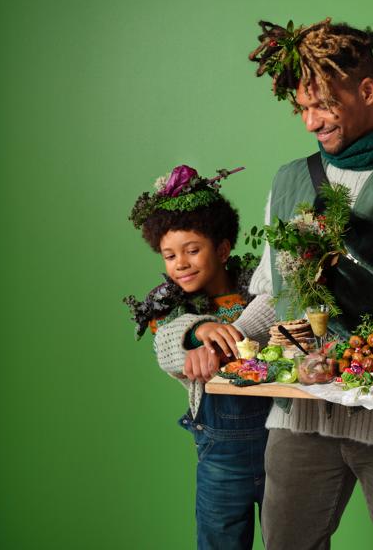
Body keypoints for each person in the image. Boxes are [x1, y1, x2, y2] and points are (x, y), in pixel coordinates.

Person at [156, 19, 373, 550]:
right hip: (300, 415)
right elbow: (275, 296)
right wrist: (230, 339)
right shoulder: (290, 180)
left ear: (367, 91)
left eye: (323, 106)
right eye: (302, 109)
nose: (311, 122)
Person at [123, 165, 272, 550]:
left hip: (281, 447)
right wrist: (200, 330)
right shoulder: (172, 309)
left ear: (222, 250)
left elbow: (277, 311)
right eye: (169, 255)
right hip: (220, 459)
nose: (181, 263)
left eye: (192, 250)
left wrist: (242, 329)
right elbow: (167, 345)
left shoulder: (256, 290)